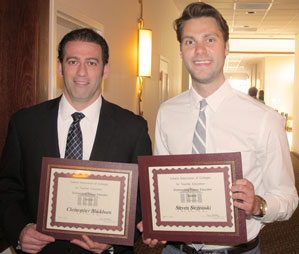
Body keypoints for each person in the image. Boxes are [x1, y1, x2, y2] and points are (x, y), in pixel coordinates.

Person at [138, 2, 298, 254]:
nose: (200, 50)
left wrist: (258, 205)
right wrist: (155, 222)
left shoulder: (264, 118)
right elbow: (161, 186)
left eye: (209, 40)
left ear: (226, 48)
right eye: (189, 41)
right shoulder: (167, 112)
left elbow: (288, 197)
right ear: (181, 51)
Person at [0, 28, 152, 254]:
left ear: (105, 70)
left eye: (91, 63)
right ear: (60, 67)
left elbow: (143, 200)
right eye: (73, 62)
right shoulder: (25, 123)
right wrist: (20, 230)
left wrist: (114, 240)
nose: (82, 72)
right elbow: (7, 188)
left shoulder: (133, 128)